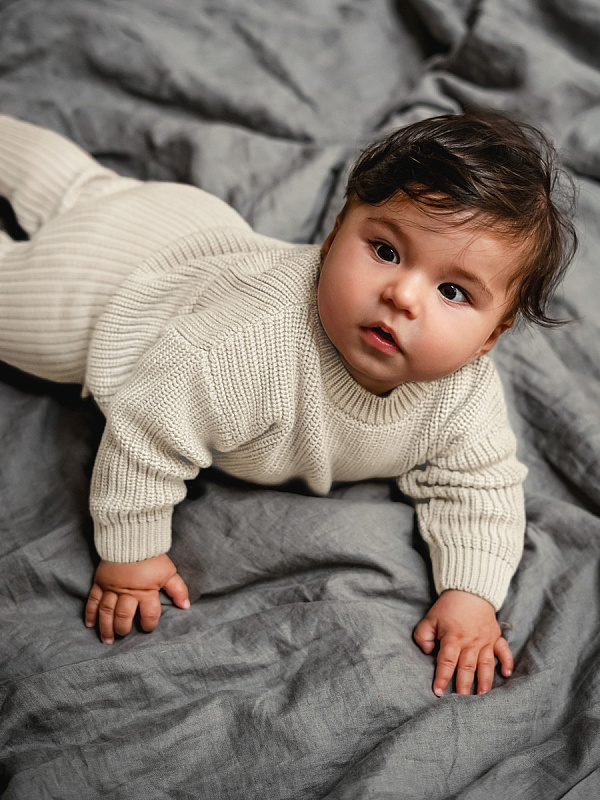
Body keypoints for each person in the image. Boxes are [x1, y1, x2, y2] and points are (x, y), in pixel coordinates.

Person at [0, 110, 577, 697]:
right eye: (384, 250)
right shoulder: (247, 347)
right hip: (103, 296)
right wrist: (132, 557)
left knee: (78, 185)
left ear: (490, 337)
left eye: (452, 291)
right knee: (49, 222)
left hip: (192, 228)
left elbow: (481, 485)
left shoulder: (462, 395)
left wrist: (471, 594)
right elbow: (147, 430)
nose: (402, 295)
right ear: (333, 236)